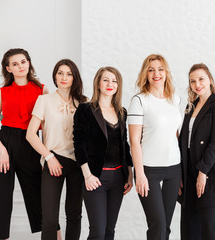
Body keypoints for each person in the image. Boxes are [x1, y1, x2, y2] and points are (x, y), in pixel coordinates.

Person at [0, 48, 46, 239]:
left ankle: (50, 234)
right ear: (8, 68)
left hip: (31, 144)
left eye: (23, 62)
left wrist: (46, 154)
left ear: (29, 63)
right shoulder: (2, 92)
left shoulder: (42, 90)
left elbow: (48, 126)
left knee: (39, 196)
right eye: (15, 64)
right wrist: (1, 150)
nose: (20, 66)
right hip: (5, 143)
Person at [26, 59, 87, 240]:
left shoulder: (84, 102)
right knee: (50, 219)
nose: (64, 77)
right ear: (55, 75)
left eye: (68, 74)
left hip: (78, 164)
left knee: (74, 216)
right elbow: (30, 134)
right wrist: (49, 156)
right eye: (60, 73)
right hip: (54, 160)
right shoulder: (44, 100)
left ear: (74, 77)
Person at [73, 66, 133, 240]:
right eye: (105, 79)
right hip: (95, 178)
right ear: (98, 83)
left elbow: (125, 145)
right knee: (97, 232)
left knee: (109, 231)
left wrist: (129, 175)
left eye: (114, 81)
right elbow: (79, 145)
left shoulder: (122, 112)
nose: (110, 84)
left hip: (118, 178)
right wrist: (87, 176)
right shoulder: (85, 110)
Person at [128, 54, 182, 240]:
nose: (156, 73)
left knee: (165, 225)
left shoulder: (175, 99)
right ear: (145, 74)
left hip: (174, 168)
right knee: (157, 224)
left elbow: (175, 133)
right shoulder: (139, 100)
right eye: (151, 69)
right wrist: (140, 173)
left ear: (166, 72)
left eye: (160, 69)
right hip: (149, 170)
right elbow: (134, 141)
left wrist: (181, 171)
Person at [178, 63, 215, 240]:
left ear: (210, 80)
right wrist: (180, 174)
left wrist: (203, 172)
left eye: (201, 79)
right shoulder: (190, 107)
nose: (197, 84)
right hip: (188, 172)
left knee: (210, 230)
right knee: (189, 230)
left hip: (209, 172)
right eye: (192, 81)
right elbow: (183, 141)